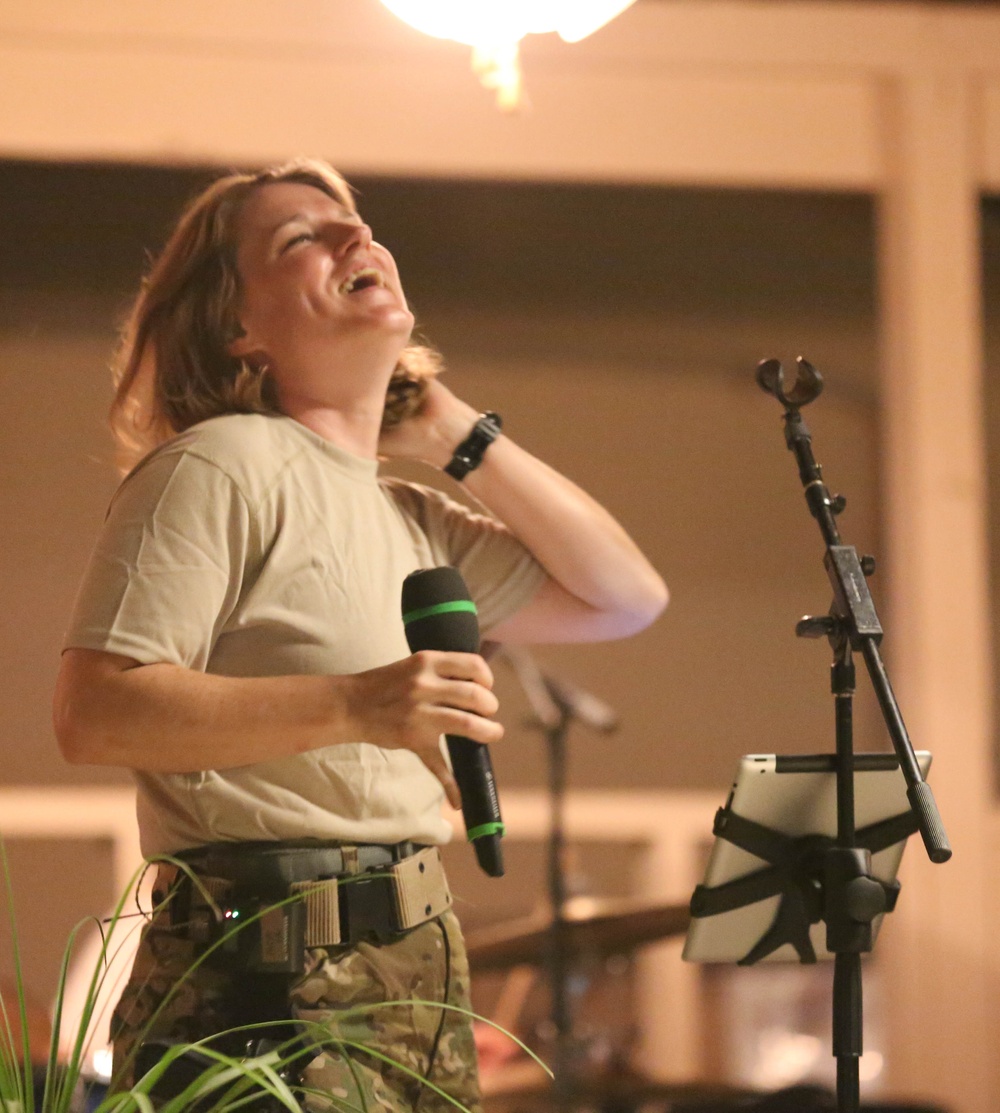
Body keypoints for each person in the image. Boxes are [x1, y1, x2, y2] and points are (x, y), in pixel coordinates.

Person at [52, 157, 667, 1113]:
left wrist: (455, 431)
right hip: (263, 980)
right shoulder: (218, 464)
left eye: (356, 224)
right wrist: (358, 702)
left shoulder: (410, 511)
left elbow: (627, 596)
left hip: (419, 965)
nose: (357, 239)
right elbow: (96, 711)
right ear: (237, 329)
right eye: (303, 236)